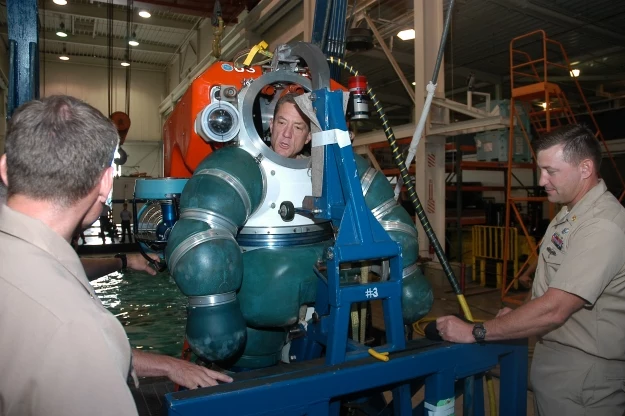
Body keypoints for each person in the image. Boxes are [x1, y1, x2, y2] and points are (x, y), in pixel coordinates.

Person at [0, 96, 231, 416]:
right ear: (106, 184)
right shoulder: (76, 326)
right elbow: (78, 346)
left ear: (5, 169)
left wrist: (167, 365)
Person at [436, 124, 625, 415]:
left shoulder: (602, 226)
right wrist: (518, 314)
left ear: (585, 168)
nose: (541, 180)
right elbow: (548, 285)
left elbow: (555, 308)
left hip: (585, 375)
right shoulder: (568, 215)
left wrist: (476, 331)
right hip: (555, 361)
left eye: (551, 171)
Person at [269, 93, 312, 159]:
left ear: (308, 137)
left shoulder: (316, 169)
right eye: (282, 123)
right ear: (272, 125)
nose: (287, 134)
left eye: (297, 127)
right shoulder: (249, 164)